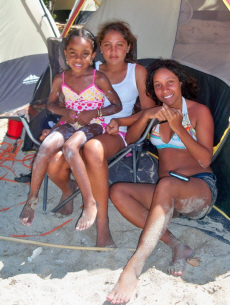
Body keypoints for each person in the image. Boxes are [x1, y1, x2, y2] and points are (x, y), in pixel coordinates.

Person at [107, 59, 217, 304]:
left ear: (180, 83)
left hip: (198, 190)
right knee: (118, 192)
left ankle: (135, 267)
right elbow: (132, 139)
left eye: (169, 83)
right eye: (157, 86)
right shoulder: (157, 114)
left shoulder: (199, 112)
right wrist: (146, 114)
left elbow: (204, 159)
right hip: (167, 197)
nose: (164, 90)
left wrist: (179, 129)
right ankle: (176, 244)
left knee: (166, 184)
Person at [46, 21, 155, 247]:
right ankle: (69, 189)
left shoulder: (137, 71)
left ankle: (102, 223)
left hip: (116, 131)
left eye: (119, 45)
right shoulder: (89, 66)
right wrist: (57, 126)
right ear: (99, 49)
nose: (113, 51)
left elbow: (148, 112)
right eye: (107, 45)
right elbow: (70, 103)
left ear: (128, 47)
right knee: (53, 162)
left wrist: (120, 121)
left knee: (93, 148)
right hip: (79, 128)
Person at [20, 27, 122, 230]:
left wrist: (94, 114)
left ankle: (90, 202)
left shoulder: (98, 78)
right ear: (65, 54)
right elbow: (50, 104)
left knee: (70, 147)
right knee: (46, 147)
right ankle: (32, 198)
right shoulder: (61, 78)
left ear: (92, 56)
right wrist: (64, 112)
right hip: (70, 121)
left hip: (93, 124)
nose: (78, 58)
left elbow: (116, 105)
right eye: (73, 53)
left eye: (85, 54)